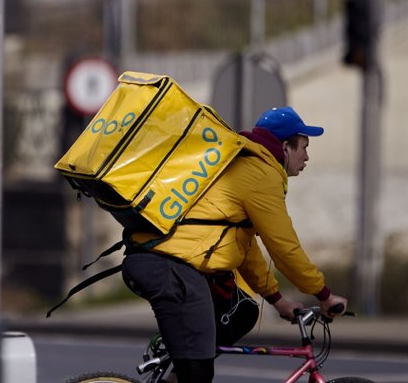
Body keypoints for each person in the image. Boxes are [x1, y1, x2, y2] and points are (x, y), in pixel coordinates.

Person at [121, 106, 349, 383]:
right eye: (304, 146)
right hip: (170, 267)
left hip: (167, 263)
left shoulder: (245, 164)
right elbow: (284, 248)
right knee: (198, 372)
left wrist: (276, 300)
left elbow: (243, 247)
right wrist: (323, 295)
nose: (307, 156)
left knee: (242, 312)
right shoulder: (261, 173)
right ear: (285, 147)